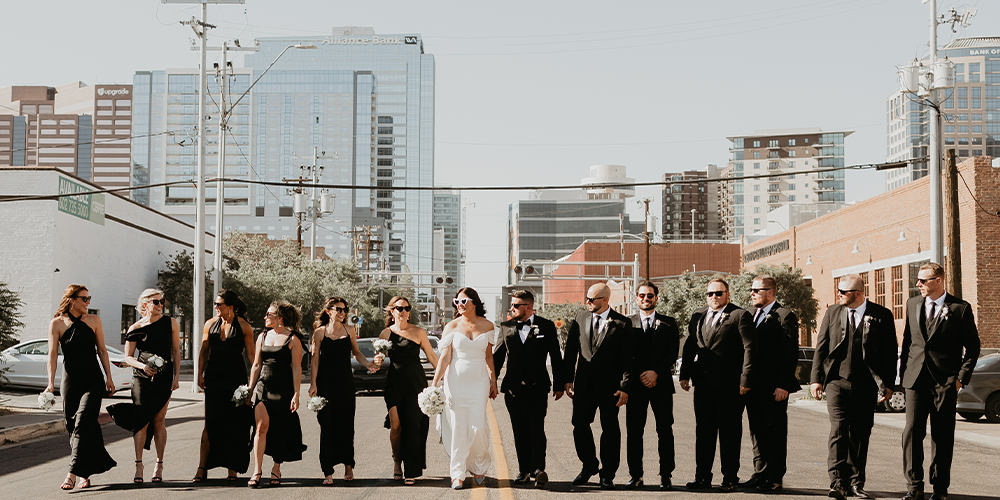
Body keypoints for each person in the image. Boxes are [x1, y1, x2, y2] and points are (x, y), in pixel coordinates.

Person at [811, 274, 897, 500]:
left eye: (843, 292)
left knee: (860, 434)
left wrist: (889, 385)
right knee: (838, 431)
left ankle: (856, 483)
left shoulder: (882, 315)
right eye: (838, 290)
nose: (838, 294)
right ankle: (837, 482)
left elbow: (890, 353)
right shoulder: (832, 312)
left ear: (857, 294)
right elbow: (821, 346)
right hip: (837, 382)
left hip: (867, 384)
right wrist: (815, 379)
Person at [899, 263, 980, 500]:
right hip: (915, 380)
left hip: (944, 382)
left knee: (942, 435)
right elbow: (907, 343)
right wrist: (903, 376)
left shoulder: (960, 308)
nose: (918, 285)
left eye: (923, 281)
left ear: (938, 281)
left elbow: (973, 348)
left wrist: (960, 378)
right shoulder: (912, 304)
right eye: (918, 281)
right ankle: (914, 487)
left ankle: (940, 488)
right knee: (912, 433)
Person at [679, 278, 756, 493]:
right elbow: (690, 346)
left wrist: (745, 379)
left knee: (729, 433)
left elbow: (750, 348)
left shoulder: (739, 315)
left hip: (730, 386)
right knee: (703, 433)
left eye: (719, 293)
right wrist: (684, 374)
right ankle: (702, 477)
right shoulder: (698, 315)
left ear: (727, 295)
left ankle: (729, 478)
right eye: (710, 294)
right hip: (702, 385)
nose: (714, 297)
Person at [563, 282, 634, 490]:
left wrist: (625, 386)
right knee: (579, 425)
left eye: (591, 299)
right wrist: (567, 379)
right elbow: (570, 351)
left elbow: (627, 358)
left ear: (605, 300)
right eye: (587, 298)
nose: (587, 302)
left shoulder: (622, 323)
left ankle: (607, 474)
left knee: (610, 430)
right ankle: (589, 465)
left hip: (610, 387)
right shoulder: (580, 318)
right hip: (583, 385)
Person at [45, 285, 117, 490]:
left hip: (92, 381)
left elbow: (102, 350)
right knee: (73, 425)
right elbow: (51, 355)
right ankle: (85, 471)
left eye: (89, 298)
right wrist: (50, 382)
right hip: (70, 382)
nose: (88, 302)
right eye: (84, 299)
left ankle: (72, 473)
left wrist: (109, 377)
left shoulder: (94, 321)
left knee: (83, 422)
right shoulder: (57, 324)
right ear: (71, 300)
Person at [107, 289, 180, 484]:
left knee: (158, 422)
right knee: (141, 421)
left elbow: (175, 351)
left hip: (164, 378)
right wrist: (143, 366)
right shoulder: (135, 328)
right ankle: (139, 465)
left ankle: (159, 463)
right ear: (145, 304)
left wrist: (176, 377)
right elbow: (128, 357)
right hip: (141, 378)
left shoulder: (170, 323)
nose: (160, 305)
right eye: (156, 302)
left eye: (162, 301)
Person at [493, 290, 565, 489]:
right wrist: (491, 383)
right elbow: (497, 358)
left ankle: (538, 470)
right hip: (513, 390)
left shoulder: (546, 326)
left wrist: (560, 384)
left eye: (516, 305)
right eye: (512, 305)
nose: (512, 308)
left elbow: (556, 358)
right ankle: (523, 470)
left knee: (536, 429)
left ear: (528, 307)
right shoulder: (506, 327)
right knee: (519, 431)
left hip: (538, 388)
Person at [739, 275, 800, 493]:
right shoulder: (750, 314)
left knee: (774, 433)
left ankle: (774, 477)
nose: (752, 293)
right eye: (751, 290)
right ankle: (759, 473)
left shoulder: (785, 316)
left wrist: (783, 385)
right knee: (756, 431)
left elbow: (790, 354)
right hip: (753, 387)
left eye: (756, 290)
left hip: (774, 388)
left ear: (771, 292)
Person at [432, 288, 497, 490]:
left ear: (474, 302)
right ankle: (457, 473)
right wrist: (434, 385)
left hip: (479, 380)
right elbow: (444, 358)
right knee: (458, 427)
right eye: (457, 302)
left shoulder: (487, 325)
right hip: (456, 380)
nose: (459, 305)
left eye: (464, 301)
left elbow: (488, 356)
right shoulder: (451, 326)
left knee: (479, 427)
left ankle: (479, 465)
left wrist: (493, 380)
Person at [308, 297, 375, 484]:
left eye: (344, 309)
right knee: (327, 425)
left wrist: (369, 365)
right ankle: (327, 471)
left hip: (345, 384)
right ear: (329, 311)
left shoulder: (350, 330)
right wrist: (313, 383)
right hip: (325, 385)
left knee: (346, 425)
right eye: (338, 309)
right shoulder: (319, 333)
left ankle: (348, 465)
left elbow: (357, 353)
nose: (342, 312)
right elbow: (314, 360)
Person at [192, 289, 256, 482]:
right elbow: (204, 351)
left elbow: (252, 357)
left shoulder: (244, 326)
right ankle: (202, 468)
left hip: (236, 380)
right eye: (215, 304)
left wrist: (252, 385)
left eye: (218, 304)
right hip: (213, 378)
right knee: (210, 424)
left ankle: (232, 469)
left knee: (234, 424)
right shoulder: (210, 324)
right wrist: (199, 374)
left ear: (230, 306)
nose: (215, 307)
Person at [375, 296, 439, 485]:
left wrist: (445, 377)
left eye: (406, 308)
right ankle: (397, 462)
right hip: (394, 382)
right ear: (392, 311)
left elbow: (432, 357)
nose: (403, 311)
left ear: (409, 312)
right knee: (396, 426)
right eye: (399, 308)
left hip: (416, 383)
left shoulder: (419, 332)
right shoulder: (385, 334)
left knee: (413, 424)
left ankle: (411, 469)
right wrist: (376, 362)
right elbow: (378, 359)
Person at [246, 300, 307, 488]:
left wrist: (296, 394)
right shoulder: (262, 337)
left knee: (280, 429)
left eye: (268, 314)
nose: (265, 317)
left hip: (283, 388)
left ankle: (276, 468)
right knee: (261, 427)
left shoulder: (293, 339)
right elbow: (256, 365)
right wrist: (250, 389)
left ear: (279, 318)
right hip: (263, 387)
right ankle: (257, 470)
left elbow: (296, 368)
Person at [625, 281, 679, 491]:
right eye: (642, 296)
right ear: (636, 298)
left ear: (656, 298)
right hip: (637, 386)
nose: (645, 299)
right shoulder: (627, 323)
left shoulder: (669, 323)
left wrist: (656, 372)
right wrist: (642, 374)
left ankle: (666, 475)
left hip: (662, 384)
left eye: (650, 296)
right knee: (634, 432)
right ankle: (636, 475)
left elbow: (672, 353)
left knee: (665, 431)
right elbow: (626, 355)